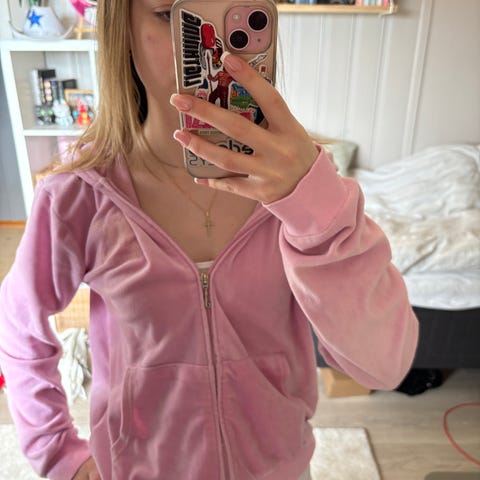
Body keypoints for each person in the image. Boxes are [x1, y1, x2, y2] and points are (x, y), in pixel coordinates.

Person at [0, 0, 419, 479]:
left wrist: (314, 207)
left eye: (230, 10)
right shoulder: (79, 195)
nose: (213, 48)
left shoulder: (304, 190)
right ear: (122, 30)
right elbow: (18, 326)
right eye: (172, 14)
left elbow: (385, 365)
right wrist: (59, 453)